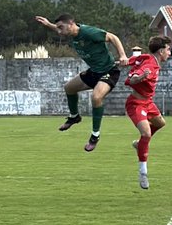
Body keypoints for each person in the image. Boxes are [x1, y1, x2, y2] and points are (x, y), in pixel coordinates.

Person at [34, 14, 129, 151]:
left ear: (71, 23)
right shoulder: (71, 33)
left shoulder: (88, 32)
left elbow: (113, 37)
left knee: (96, 97)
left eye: (61, 27)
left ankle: (95, 136)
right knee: (69, 88)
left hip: (109, 71)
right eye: (58, 28)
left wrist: (122, 55)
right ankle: (74, 117)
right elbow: (59, 28)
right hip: (94, 72)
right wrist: (49, 24)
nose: (59, 31)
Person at [126, 35, 172, 189]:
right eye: (168, 50)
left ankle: (140, 144)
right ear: (161, 51)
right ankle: (143, 173)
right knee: (146, 133)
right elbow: (133, 78)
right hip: (136, 104)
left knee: (160, 123)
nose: (170, 53)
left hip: (148, 103)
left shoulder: (149, 58)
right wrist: (138, 77)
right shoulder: (150, 66)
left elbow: (134, 61)